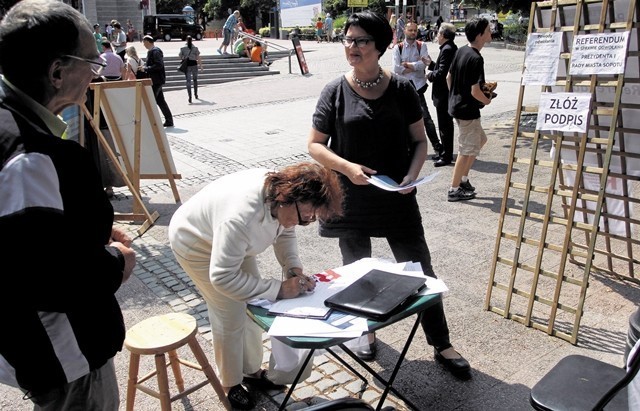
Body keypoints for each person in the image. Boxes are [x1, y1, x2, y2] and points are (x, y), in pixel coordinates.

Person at [307, 10, 471, 379]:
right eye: (348, 40)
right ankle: (364, 332)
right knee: (356, 273)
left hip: (397, 196)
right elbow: (315, 146)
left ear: (379, 46)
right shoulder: (334, 90)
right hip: (349, 199)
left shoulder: (401, 88)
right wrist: (347, 168)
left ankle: (441, 342)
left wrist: (412, 175)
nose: (352, 47)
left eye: (361, 40)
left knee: (421, 270)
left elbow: (419, 140)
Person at [0, 0, 136, 409]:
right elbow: (50, 279)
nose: (96, 76)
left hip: (43, 349)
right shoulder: (30, 156)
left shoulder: (13, 126)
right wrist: (116, 259)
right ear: (58, 71)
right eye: (91, 64)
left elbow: (31, 238)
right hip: (65, 356)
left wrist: (81, 231)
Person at [168, 162, 344, 410]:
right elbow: (223, 277)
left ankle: (250, 372)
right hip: (196, 243)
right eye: (306, 216)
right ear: (285, 197)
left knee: (251, 305)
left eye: (311, 219)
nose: (305, 222)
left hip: (234, 243)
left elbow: (285, 231)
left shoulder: (283, 201)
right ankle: (229, 383)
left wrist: (294, 268)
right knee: (229, 312)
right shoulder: (240, 217)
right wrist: (279, 289)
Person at [446, 17, 493, 202]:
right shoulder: (475, 58)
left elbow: (449, 77)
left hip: (458, 107)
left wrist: (455, 95)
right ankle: (454, 188)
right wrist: (487, 101)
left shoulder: (461, 51)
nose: (491, 33)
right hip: (467, 111)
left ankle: (463, 179)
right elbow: (475, 91)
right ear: (480, 34)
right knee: (466, 150)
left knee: (480, 139)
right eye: (488, 30)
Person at [391, 21, 443, 161]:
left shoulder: (422, 46)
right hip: (403, 88)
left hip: (418, 87)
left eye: (415, 30)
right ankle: (405, 149)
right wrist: (415, 66)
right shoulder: (398, 48)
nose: (413, 33)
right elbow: (396, 68)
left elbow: (423, 64)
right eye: (410, 30)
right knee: (402, 119)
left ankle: (438, 147)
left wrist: (408, 65)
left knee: (425, 118)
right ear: (405, 31)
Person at [426, 22, 458, 167]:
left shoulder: (447, 49)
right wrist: (431, 64)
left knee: (445, 126)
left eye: (438, 33)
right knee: (445, 125)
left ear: (444, 35)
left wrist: (430, 75)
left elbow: (442, 73)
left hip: (444, 94)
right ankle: (445, 152)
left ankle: (446, 156)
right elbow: (442, 67)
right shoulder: (448, 48)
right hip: (444, 94)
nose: (437, 36)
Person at [140, 35, 174, 127]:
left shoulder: (155, 51)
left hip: (156, 80)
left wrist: (146, 69)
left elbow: (159, 65)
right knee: (160, 101)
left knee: (152, 101)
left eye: (144, 42)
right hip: (156, 79)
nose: (143, 45)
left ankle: (153, 122)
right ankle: (169, 120)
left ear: (147, 42)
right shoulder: (152, 51)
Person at [179, 35, 203, 103]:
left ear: (186, 40)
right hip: (194, 65)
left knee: (188, 81)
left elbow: (180, 56)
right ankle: (196, 94)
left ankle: (190, 96)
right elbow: (198, 57)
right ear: (192, 40)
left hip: (187, 65)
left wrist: (185, 57)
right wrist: (201, 66)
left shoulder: (182, 48)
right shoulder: (195, 48)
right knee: (195, 80)